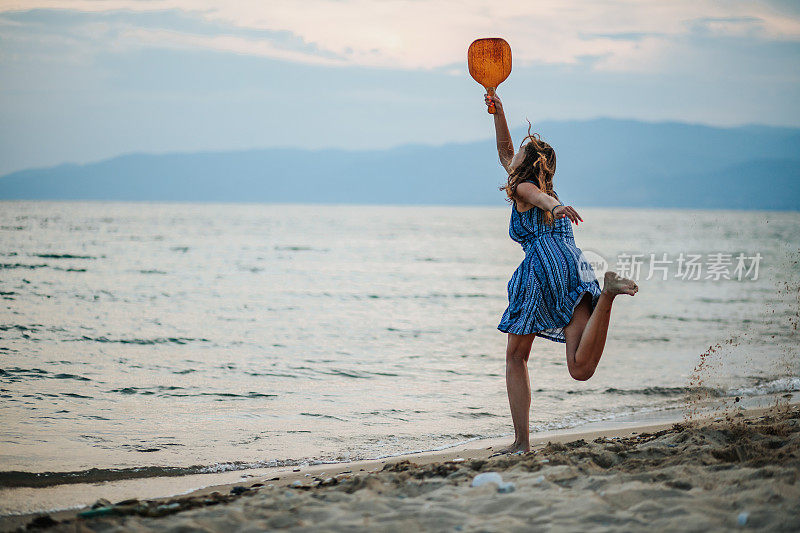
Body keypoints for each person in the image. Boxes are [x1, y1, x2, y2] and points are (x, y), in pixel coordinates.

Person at [485, 91, 639, 455]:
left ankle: (522, 443)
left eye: (521, 154)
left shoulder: (527, 189)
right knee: (580, 368)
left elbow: (541, 201)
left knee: (516, 357)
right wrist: (499, 111)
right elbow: (506, 152)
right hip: (575, 265)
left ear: (527, 166)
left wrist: (555, 208)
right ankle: (607, 295)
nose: (513, 156)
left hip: (544, 268)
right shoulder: (545, 184)